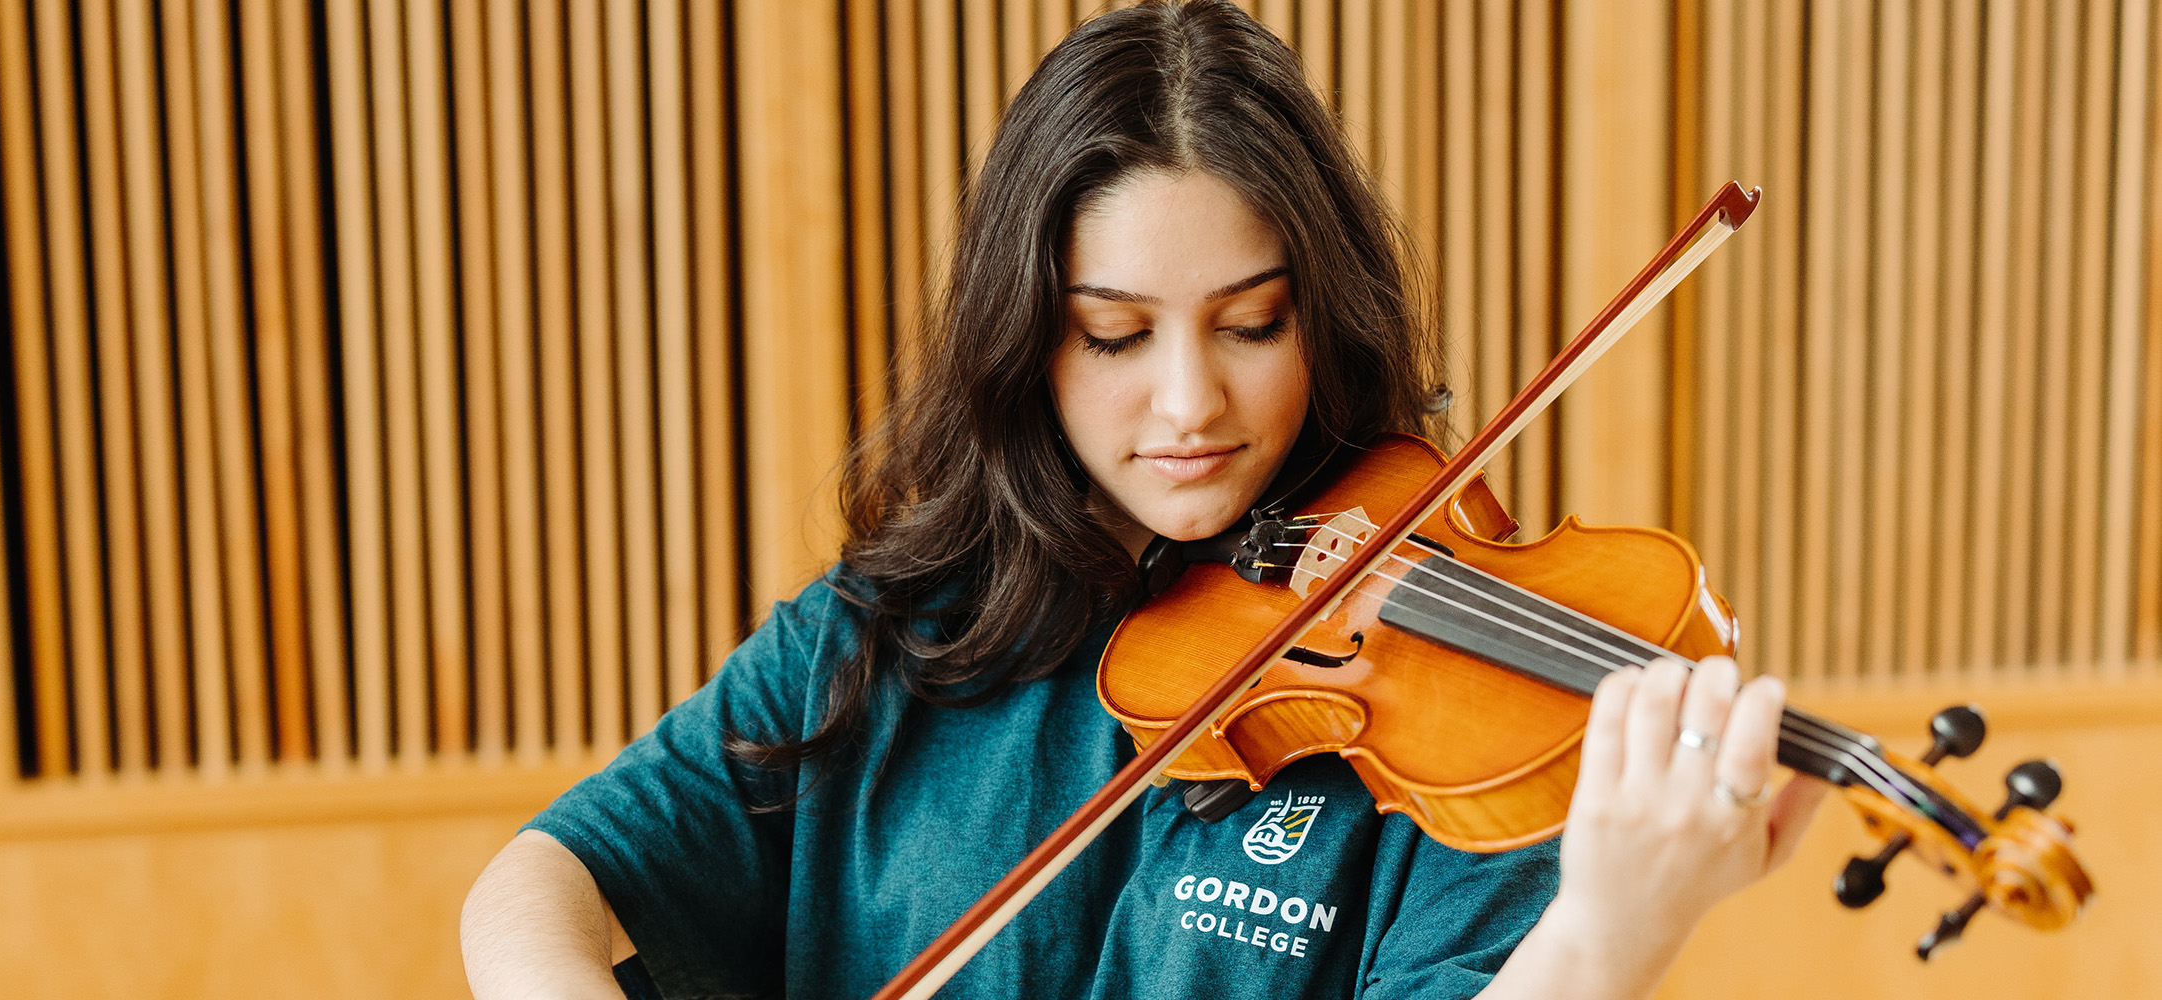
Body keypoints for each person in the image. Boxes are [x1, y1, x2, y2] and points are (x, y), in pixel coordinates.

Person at [460, 3, 1823, 997]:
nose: (1190, 405)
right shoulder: (878, 640)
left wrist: (1607, 940)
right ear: (1026, 337)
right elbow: (540, 884)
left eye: (1251, 325)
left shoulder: (1447, 717)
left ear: (1323, 321)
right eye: (1116, 334)